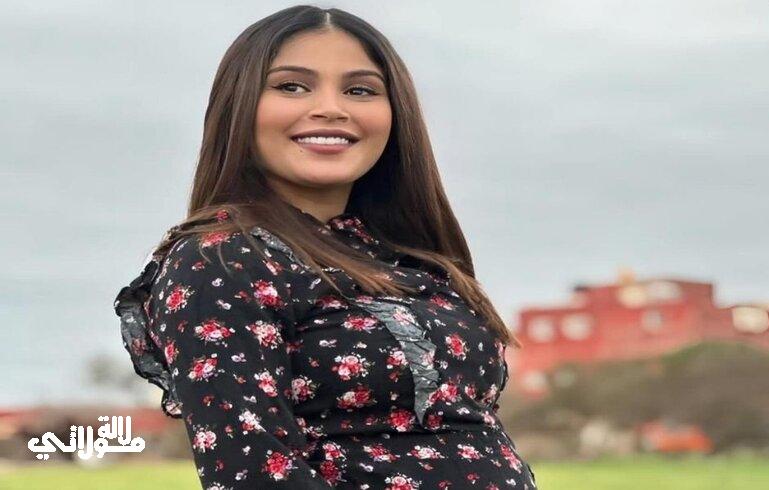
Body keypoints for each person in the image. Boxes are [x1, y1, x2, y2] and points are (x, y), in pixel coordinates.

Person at [113, 5, 538, 489]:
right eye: (292, 86)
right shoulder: (221, 259)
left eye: (360, 90)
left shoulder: (405, 258)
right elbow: (255, 472)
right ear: (239, 106)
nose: (331, 108)